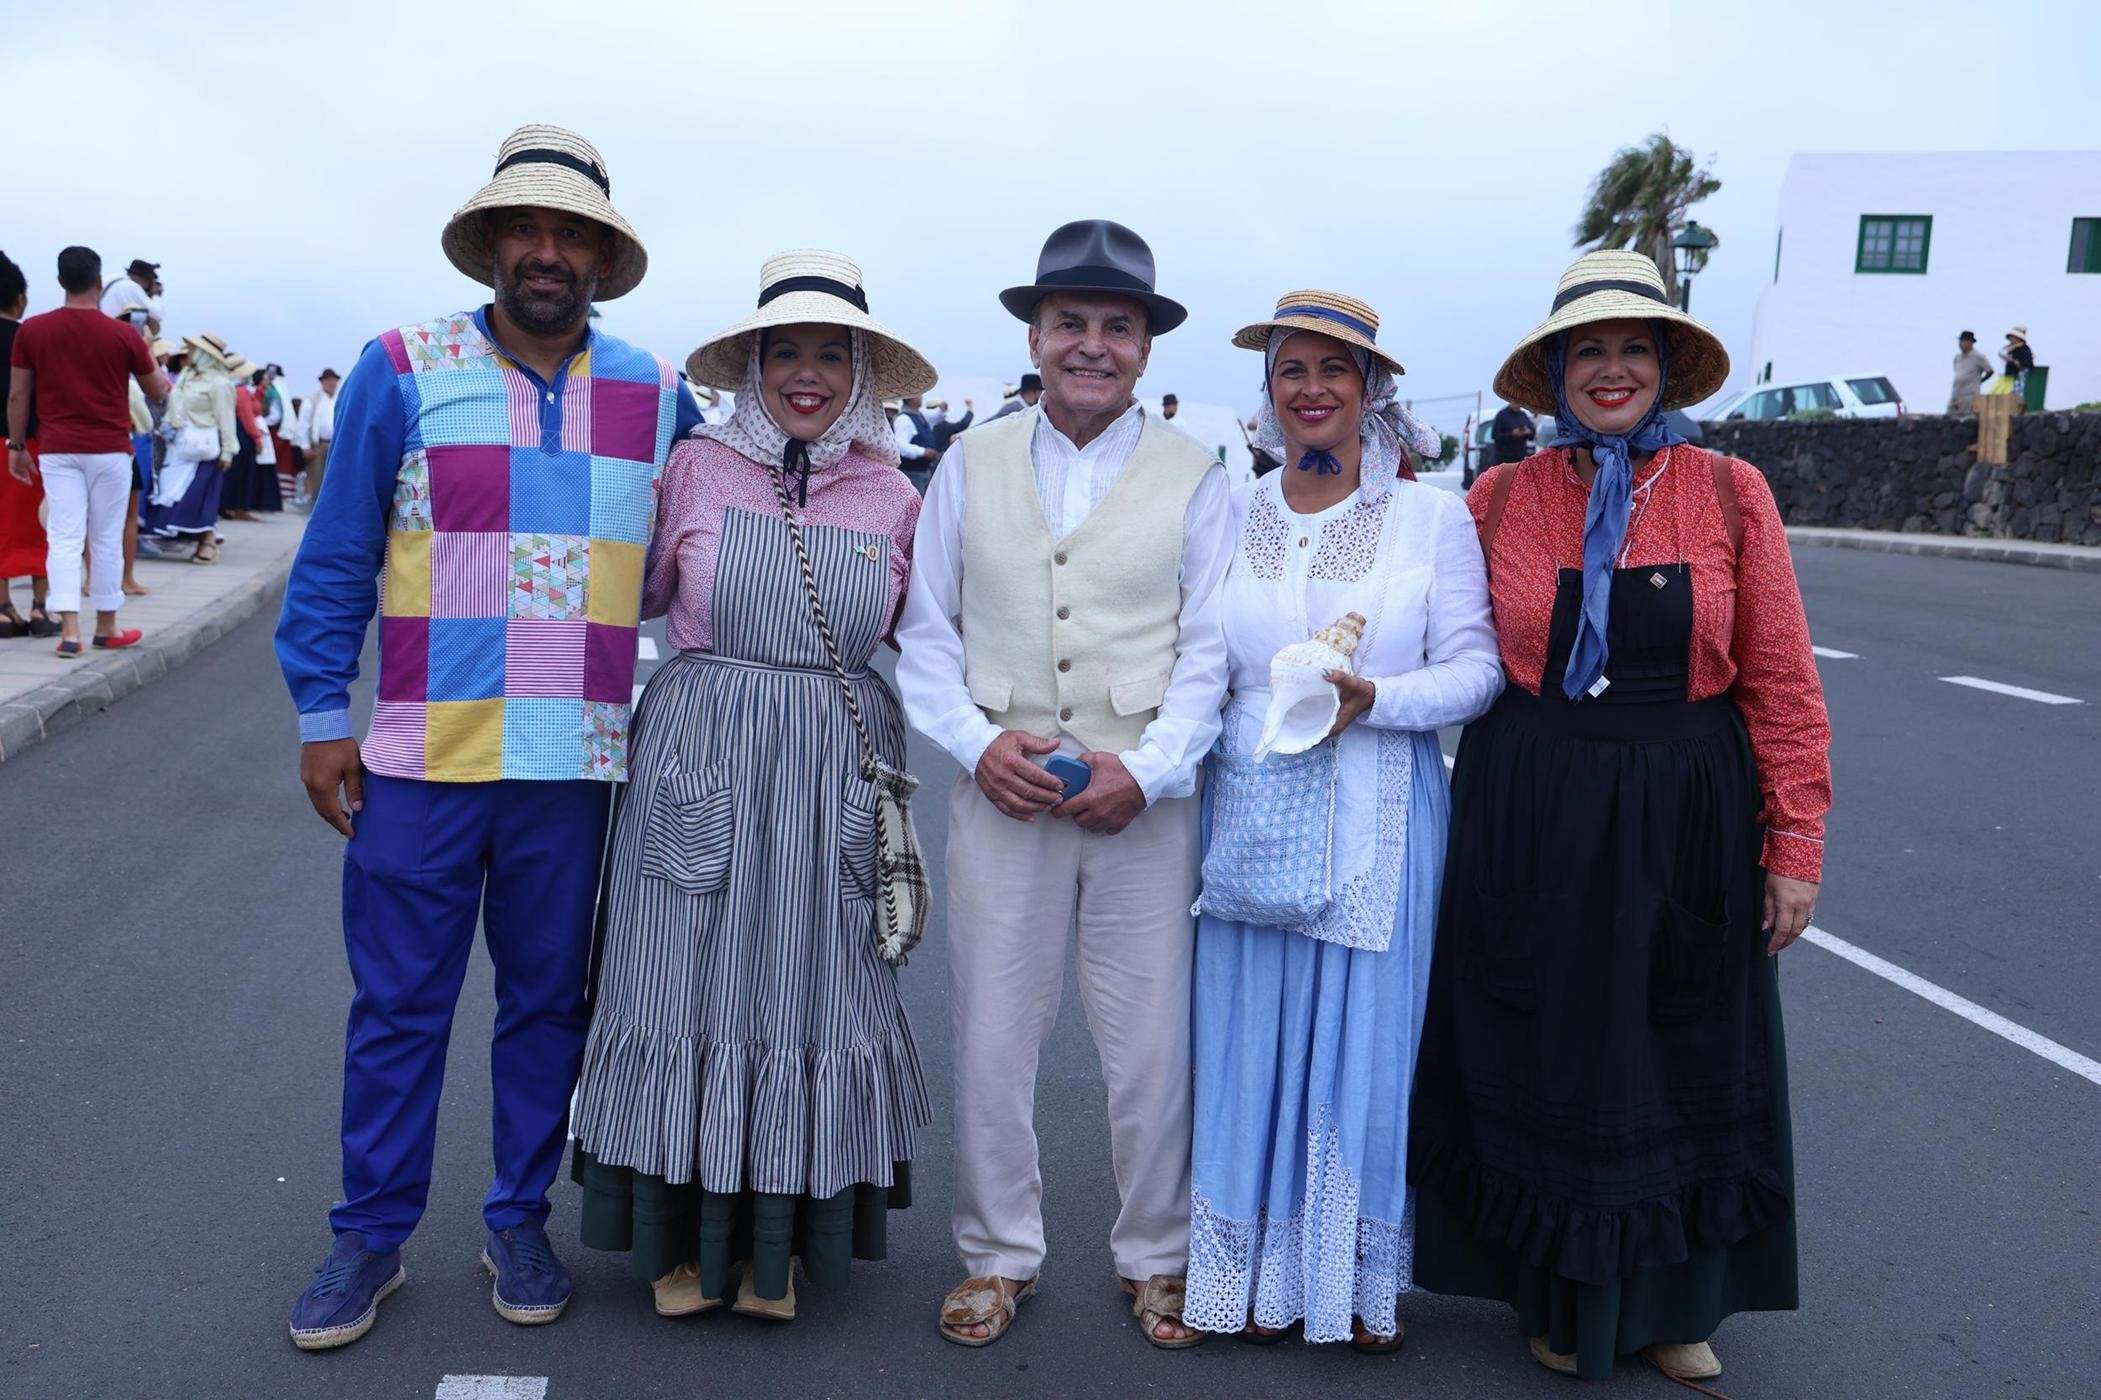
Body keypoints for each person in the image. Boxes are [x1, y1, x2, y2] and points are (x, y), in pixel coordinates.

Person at [273, 123, 699, 1351]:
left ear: (603, 255)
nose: (548, 252)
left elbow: (690, 564)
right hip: (417, 757)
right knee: (399, 1007)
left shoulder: (654, 392)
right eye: (528, 228)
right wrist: (319, 716)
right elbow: (339, 554)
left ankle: (518, 1214)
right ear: (494, 241)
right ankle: (368, 1235)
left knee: (545, 1006)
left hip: (573, 767)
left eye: (572, 233)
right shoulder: (400, 366)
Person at [1408, 251, 1831, 1385]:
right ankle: (1555, 1294)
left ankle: (1671, 1302)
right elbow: (1438, 647)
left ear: (1664, 366)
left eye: (1631, 348)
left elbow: (1783, 681)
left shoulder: (1731, 492)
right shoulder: (1497, 498)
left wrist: (1793, 843)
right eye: (1585, 350)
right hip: (1531, 804)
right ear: (1551, 373)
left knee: (1682, 1045)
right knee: (1541, 1047)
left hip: (1687, 805)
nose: (1610, 369)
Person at [568, 250, 936, 1326]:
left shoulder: (895, 492)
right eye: (788, 352)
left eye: (834, 353)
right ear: (754, 365)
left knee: (815, 987)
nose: (808, 374)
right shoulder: (691, 467)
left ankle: (773, 1254)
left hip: (832, 761)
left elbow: (943, 638)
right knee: (674, 983)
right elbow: (624, 593)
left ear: (863, 372)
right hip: (702, 747)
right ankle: (678, 1244)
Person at [897, 218, 1231, 1350]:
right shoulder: (969, 461)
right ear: (1035, 335)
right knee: (993, 1031)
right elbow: (926, 629)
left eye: (1116, 326)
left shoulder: (1199, 475)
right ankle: (997, 1255)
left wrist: (1152, 767)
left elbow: (1212, 648)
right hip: (1005, 791)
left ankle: (1159, 1255)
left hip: (1145, 797)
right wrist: (971, 740)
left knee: (1151, 1042)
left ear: (1145, 347)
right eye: (1071, 322)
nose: (1092, 344)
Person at [1183, 292, 1501, 1352]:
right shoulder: (1232, 504)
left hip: (1378, 814)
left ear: (1372, 390)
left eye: (1335, 369)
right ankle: (1245, 1278)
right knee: (1250, 1037)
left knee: (1359, 1042)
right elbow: (1201, 658)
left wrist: (1376, 699)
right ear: (1268, 392)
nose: (1311, 388)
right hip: (1254, 805)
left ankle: (1344, 1281)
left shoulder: (1429, 515)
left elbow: (1477, 671)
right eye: (1291, 370)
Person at [6, 245, 164, 656]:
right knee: (106, 536)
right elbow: (157, 390)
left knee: (63, 536)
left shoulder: (33, 330)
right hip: (110, 448)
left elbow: (18, 396)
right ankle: (107, 625)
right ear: (98, 282)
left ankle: (70, 632)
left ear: (60, 282)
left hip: (58, 449)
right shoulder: (123, 335)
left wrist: (17, 445)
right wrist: (146, 345)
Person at [0, 249, 57, 638]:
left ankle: (3, 610)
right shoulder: (29, 337)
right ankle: (40, 607)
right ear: (20, 299)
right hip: (26, 443)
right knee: (42, 523)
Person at [143, 334, 241, 562]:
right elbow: (174, 406)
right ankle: (184, 536)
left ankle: (207, 541)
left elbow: (226, 418)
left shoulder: (220, 383)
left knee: (199, 494)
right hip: (179, 443)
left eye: (194, 350)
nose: (188, 354)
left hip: (203, 445)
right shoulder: (187, 376)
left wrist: (228, 450)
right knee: (173, 490)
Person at [296, 367, 340, 506]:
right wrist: (304, 446)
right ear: (322, 382)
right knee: (315, 474)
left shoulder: (339, 399)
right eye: (328, 380)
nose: (331, 383)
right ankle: (312, 501)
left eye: (334, 380)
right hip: (318, 444)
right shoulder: (313, 399)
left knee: (333, 476)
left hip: (335, 443)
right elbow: (304, 423)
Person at [892, 391, 942, 489]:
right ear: (911, 398)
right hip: (912, 473)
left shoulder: (919, 416)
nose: (922, 397)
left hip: (921, 472)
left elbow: (936, 416)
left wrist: (942, 410)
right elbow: (900, 445)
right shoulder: (904, 419)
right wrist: (923, 452)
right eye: (919, 395)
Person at [98, 257, 161, 329]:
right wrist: (156, 295)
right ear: (141, 277)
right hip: (110, 330)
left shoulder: (109, 278)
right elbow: (157, 315)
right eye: (149, 281)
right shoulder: (132, 287)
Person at [1947, 330, 1992, 414]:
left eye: (1963, 341)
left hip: (1969, 395)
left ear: (1970, 342)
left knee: (1965, 419)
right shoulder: (1957, 357)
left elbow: (1990, 371)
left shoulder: (1978, 357)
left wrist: (1980, 381)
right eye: (1960, 341)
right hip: (1956, 394)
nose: (1960, 344)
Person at [1490, 398, 1535, 463]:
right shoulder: (1501, 415)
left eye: (1519, 402)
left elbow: (1532, 435)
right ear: (1510, 401)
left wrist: (1527, 432)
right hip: (1504, 459)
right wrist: (1511, 434)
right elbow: (1494, 435)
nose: (1517, 404)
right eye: (1515, 402)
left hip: (1520, 458)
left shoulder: (1523, 415)